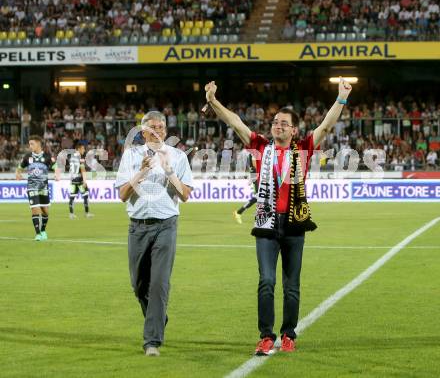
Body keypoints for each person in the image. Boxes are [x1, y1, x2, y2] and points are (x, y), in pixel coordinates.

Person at [204, 78, 352, 355]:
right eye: (275, 122)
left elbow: (326, 126)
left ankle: (288, 335)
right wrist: (213, 102)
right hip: (266, 223)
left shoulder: (305, 148)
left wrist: (341, 98)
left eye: (283, 123)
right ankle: (265, 335)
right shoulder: (260, 147)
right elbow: (236, 123)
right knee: (267, 281)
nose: (277, 125)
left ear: (294, 129)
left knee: (292, 285)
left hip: (295, 223)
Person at [115, 111, 193, 357]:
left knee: (159, 283)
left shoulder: (178, 157)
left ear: (166, 130)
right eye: (152, 127)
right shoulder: (130, 155)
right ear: (143, 131)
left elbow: (185, 195)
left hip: (166, 225)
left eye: (161, 127)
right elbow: (123, 194)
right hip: (137, 226)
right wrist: (141, 172)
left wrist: (169, 172)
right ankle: (158, 318)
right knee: (139, 286)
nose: (157, 131)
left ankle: (152, 341)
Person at [16, 135, 59, 241]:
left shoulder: (47, 156)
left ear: (38, 143)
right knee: (35, 209)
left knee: (45, 211)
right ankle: (38, 234)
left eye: (32, 144)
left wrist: (57, 174)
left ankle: (43, 230)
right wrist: (18, 174)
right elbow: (19, 168)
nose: (30, 146)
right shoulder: (27, 157)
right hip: (31, 187)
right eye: (29, 144)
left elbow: (56, 167)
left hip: (43, 187)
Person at [68, 141, 94, 219]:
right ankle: (87, 213)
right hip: (80, 180)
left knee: (72, 197)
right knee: (85, 195)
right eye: (83, 149)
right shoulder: (80, 158)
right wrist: (85, 181)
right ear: (79, 149)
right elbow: (83, 170)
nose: (84, 150)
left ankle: (71, 214)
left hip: (72, 180)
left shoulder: (71, 157)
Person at [233, 154, 258, 224]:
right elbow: (255, 165)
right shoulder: (255, 151)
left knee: (260, 196)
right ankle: (239, 212)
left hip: (256, 175)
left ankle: (259, 214)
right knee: (259, 195)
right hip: (257, 175)